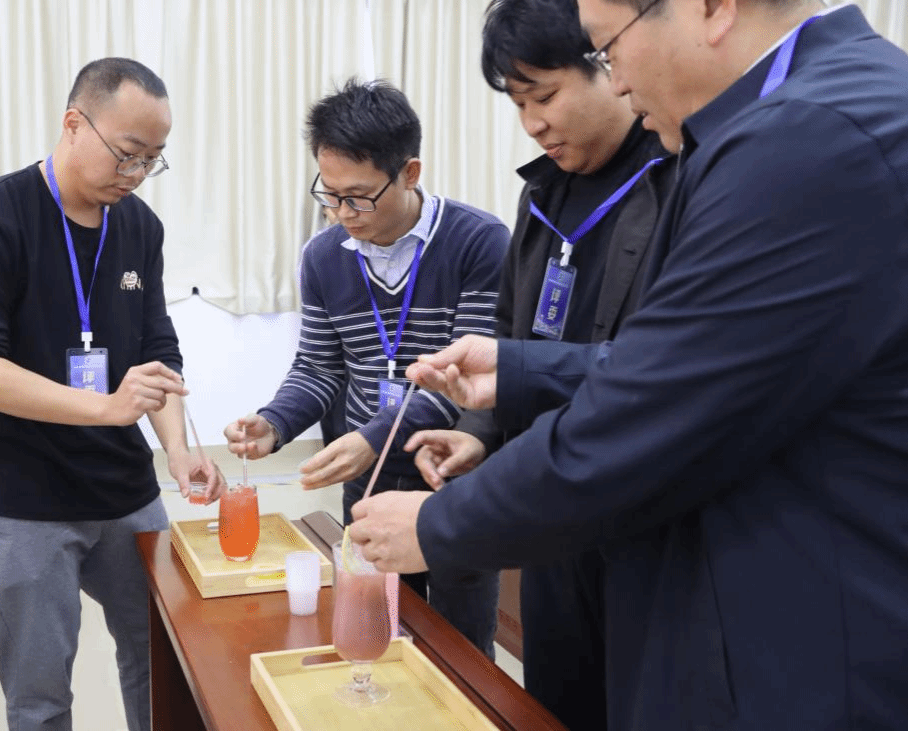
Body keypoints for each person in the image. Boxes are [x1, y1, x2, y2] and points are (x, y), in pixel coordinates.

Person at [350, 1, 908, 727]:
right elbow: (698, 364)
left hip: (795, 640)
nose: (616, 80)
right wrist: (519, 371)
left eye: (609, 47)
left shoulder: (807, 139)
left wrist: (439, 523)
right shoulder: (800, 115)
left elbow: (654, 405)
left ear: (711, 8)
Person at [0, 58, 224, 731]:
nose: (136, 173)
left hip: (123, 489)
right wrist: (106, 407)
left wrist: (178, 450)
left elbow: (157, 350)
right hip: (21, 499)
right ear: (73, 123)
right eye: (127, 153)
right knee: (41, 698)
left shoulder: (139, 227)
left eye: (152, 159)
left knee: (163, 656)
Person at [403, 1, 672, 727]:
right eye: (519, 104)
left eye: (545, 96)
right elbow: (510, 331)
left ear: (607, 61)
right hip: (550, 513)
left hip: (637, 514)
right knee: (554, 700)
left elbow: (659, 369)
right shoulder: (542, 192)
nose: (532, 124)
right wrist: (480, 435)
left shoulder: (676, 179)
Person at [224, 78, 510, 656]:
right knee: (375, 629)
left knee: (460, 647)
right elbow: (319, 365)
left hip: (452, 477)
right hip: (370, 477)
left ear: (410, 173)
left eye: (357, 197)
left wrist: (375, 437)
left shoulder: (479, 242)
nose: (341, 213)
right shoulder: (323, 256)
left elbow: (466, 382)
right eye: (329, 195)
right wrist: (275, 422)